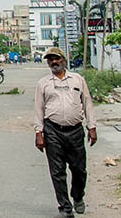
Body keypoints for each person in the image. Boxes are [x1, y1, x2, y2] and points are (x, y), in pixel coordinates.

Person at [34, 46, 97, 216]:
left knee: (79, 170)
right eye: (50, 60)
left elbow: (87, 103)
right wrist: (39, 133)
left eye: (57, 58)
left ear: (64, 60)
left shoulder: (77, 79)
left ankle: (78, 196)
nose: (54, 62)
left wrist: (92, 127)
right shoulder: (44, 83)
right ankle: (65, 207)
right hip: (53, 131)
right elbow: (39, 108)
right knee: (57, 171)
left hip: (75, 131)